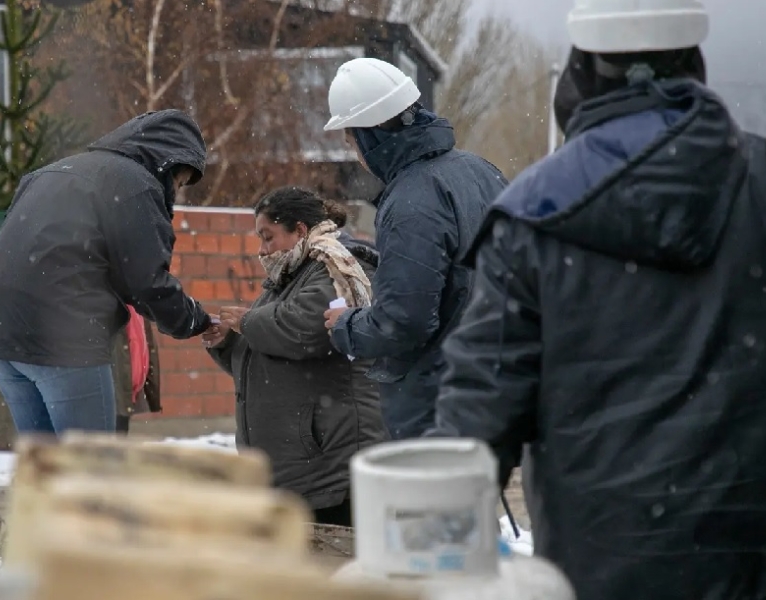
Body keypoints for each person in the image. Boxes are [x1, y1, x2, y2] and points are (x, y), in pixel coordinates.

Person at [426, 1, 766, 599]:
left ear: (580, 69)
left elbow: (479, 411)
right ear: (695, 61)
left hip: (604, 572)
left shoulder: (533, 215)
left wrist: (430, 546)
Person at [0, 110, 214, 435]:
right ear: (167, 163)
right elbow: (147, 283)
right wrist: (196, 320)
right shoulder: (135, 184)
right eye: (179, 181)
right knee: (91, 469)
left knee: (44, 472)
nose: (177, 190)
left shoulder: (49, 173)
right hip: (64, 337)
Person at [318, 57, 507, 441]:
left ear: (370, 135)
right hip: (490, 381)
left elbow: (405, 322)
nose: (355, 154)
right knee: (475, 497)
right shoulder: (480, 171)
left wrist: (347, 326)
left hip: (435, 400)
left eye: (351, 141)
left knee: (434, 500)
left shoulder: (411, 199)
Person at [204, 187, 386, 526]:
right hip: (300, 469)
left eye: (268, 237)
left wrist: (245, 321)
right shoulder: (290, 274)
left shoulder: (339, 266)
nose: (262, 250)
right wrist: (226, 343)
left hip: (329, 463)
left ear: (300, 230)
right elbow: (265, 357)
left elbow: (307, 329)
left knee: (336, 568)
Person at [110, 305, 161, 434]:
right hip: (110, 396)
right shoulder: (108, 298)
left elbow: (146, 344)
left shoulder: (137, 301)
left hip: (127, 394)